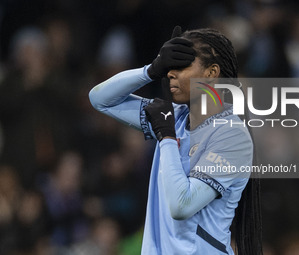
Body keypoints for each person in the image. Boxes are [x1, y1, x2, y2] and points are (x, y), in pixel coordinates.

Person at [89, 26, 262, 255]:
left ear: (211, 73)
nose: (170, 73)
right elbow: (100, 99)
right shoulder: (174, 118)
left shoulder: (231, 135)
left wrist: (167, 137)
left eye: (182, 65)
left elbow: (182, 205)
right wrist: (149, 71)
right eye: (170, 65)